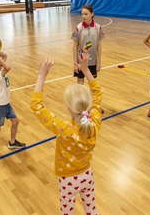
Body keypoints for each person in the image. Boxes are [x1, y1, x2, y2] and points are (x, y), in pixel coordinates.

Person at [31, 53, 102, 214]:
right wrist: (86, 70)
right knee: (91, 209)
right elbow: (98, 94)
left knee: (67, 212)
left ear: (68, 108)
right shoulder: (94, 122)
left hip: (68, 180)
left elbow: (37, 106)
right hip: (87, 175)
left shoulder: (64, 129)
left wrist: (42, 75)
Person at [71, 4, 105, 85]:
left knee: (92, 84)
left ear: (92, 14)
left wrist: (99, 62)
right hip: (81, 61)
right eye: (82, 14)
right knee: (80, 84)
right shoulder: (78, 28)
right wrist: (75, 63)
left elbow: (99, 46)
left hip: (92, 61)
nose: (83, 16)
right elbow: (75, 46)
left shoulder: (98, 28)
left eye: (86, 14)